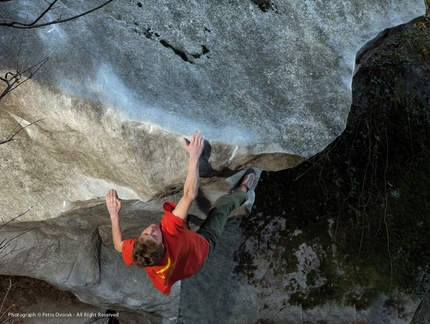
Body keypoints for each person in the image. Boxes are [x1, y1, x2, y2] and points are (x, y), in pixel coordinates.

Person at [105, 130, 257, 295]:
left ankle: (185, 225)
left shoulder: (141, 251)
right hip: (200, 251)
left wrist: (114, 215)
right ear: (162, 245)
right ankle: (244, 190)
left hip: (183, 261)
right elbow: (190, 194)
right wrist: (194, 157)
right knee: (222, 206)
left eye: (144, 234)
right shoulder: (170, 230)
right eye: (154, 236)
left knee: (180, 221)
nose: (151, 228)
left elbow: (119, 246)